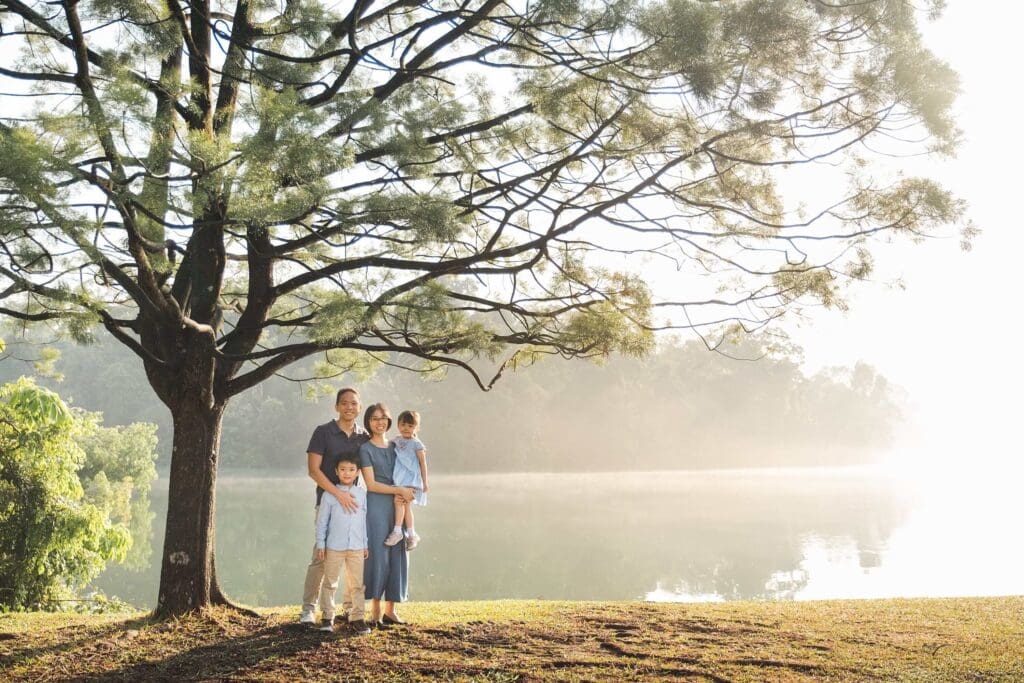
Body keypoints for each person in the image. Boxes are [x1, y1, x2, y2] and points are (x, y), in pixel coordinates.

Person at [299, 388, 369, 625]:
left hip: (353, 507)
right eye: (344, 403)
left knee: (353, 557)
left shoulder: (363, 436)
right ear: (337, 406)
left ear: (359, 407)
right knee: (321, 556)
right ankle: (308, 609)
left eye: (354, 403)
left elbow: (373, 466)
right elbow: (313, 470)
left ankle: (349, 608)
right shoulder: (323, 432)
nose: (349, 407)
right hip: (328, 502)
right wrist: (338, 494)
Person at [358, 403, 416, 626]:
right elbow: (371, 484)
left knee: (397, 554)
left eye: (383, 418)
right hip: (376, 506)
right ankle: (374, 612)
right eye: (374, 418)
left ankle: (390, 611)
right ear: (368, 423)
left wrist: (410, 489)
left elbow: (412, 464)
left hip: (399, 504)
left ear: (389, 421)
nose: (379, 422)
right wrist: (398, 490)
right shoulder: (365, 449)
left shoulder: (396, 446)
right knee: (378, 556)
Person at [314, 455, 371, 635]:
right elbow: (322, 522)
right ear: (336, 471)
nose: (347, 473)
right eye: (343, 469)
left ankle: (357, 618)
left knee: (357, 584)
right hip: (334, 546)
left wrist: (364, 544)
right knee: (330, 582)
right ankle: (327, 617)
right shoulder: (329, 495)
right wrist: (321, 544)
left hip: (356, 546)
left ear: (357, 473)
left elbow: (363, 521)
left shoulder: (362, 494)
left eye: (351, 470)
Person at [386, 410, 429, 550]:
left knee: (400, 503)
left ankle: (398, 531)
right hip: (400, 479)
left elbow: (423, 463)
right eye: (403, 424)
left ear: (416, 428)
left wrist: (425, 483)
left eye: (410, 426)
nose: (406, 428)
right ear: (398, 425)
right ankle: (411, 533)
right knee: (404, 505)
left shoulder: (417, 444)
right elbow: (386, 443)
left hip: (411, 480)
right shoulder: (397, 440)